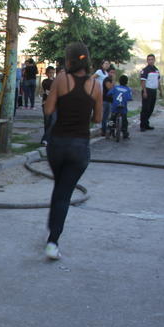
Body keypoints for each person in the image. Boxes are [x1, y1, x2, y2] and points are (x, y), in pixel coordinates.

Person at [42, 42, 103, 260]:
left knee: (59, 188)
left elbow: (48, 109)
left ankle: (52, 231)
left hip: (57, 144)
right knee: (64, 193)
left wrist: (61, 101)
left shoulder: (61, 79)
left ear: (69, 61)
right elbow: (98, 118)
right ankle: (53, 241)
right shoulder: (96, 86)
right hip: (80, 147)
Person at [139, 54, 161, 131]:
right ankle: (142, 125)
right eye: (149, 59)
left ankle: (146, 123)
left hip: (154, 91)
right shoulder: (145, 70)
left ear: (154, 60)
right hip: (147, 90)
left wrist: (160, 91)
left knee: (151, 108)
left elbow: (158, 81)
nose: (150, 61)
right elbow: (143, 81)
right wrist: (144, 92)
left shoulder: (156, 70)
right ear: (147, 61)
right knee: (145, 108)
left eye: (152, 59)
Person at [108, 74, 133, 139]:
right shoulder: (128, 89)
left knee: (112, 118)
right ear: (127, 82)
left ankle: (109, 130)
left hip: (115, 106)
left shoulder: (115, 87)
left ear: (119, 81)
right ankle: (125, 133)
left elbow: (109, 93)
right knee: (125, 120)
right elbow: (130, 98)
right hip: (123, 107)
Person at [40, 66, 55, 145]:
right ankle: (48, 139)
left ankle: (46, 138)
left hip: (55, 104)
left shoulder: (56, 80)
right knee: (47, 121)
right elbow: (48, 90)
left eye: (53, 72)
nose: (52, 74)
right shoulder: (45, 81)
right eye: (50, 73)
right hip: (46, 103)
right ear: (46, 74)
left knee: (53, 120)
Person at [101, 66, 116, 136]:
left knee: (111, 117)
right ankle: (104, 130)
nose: (112, 74)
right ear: (108, 73)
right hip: (106, 100)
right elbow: (110, 88)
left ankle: (110, 130)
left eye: (113, 72)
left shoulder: (111, 80)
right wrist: (113, 80)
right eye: (111, 72)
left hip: (111, 101)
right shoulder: (107, 80)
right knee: (105, 116)